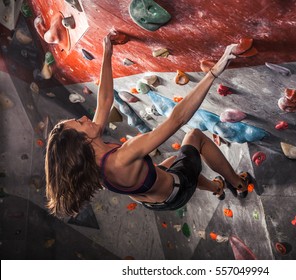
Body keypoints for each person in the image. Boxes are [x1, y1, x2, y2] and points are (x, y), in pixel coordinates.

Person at [45, 31, 253, 217]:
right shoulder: (123, 156)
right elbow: (177, 119)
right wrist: (214, 73)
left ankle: (216, 188)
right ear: (84, 141)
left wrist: (107, 52)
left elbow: (106, 99)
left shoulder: (91, 160)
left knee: (174, 160)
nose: (84, 118)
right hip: (179, 190)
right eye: (79, 123)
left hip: (158, 202)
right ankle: (238, 183)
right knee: (195, 137)